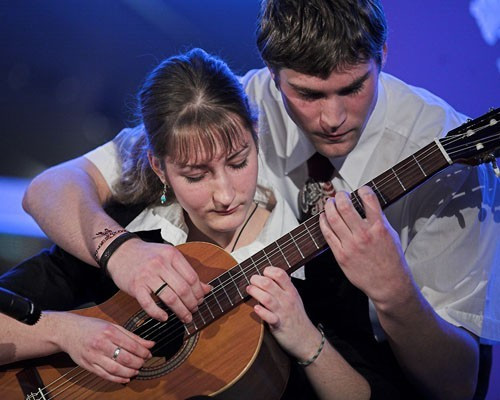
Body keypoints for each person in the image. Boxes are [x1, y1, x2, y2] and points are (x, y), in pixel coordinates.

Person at [18, 0, 500, 399]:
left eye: (353, 87)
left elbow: (459, 387)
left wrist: (394, 292)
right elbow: (51, 188)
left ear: (384, 56)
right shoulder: (242, 102)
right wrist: (119, 252)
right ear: (273, 75)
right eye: (308, 94)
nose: (333, 117)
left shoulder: (446, 158)